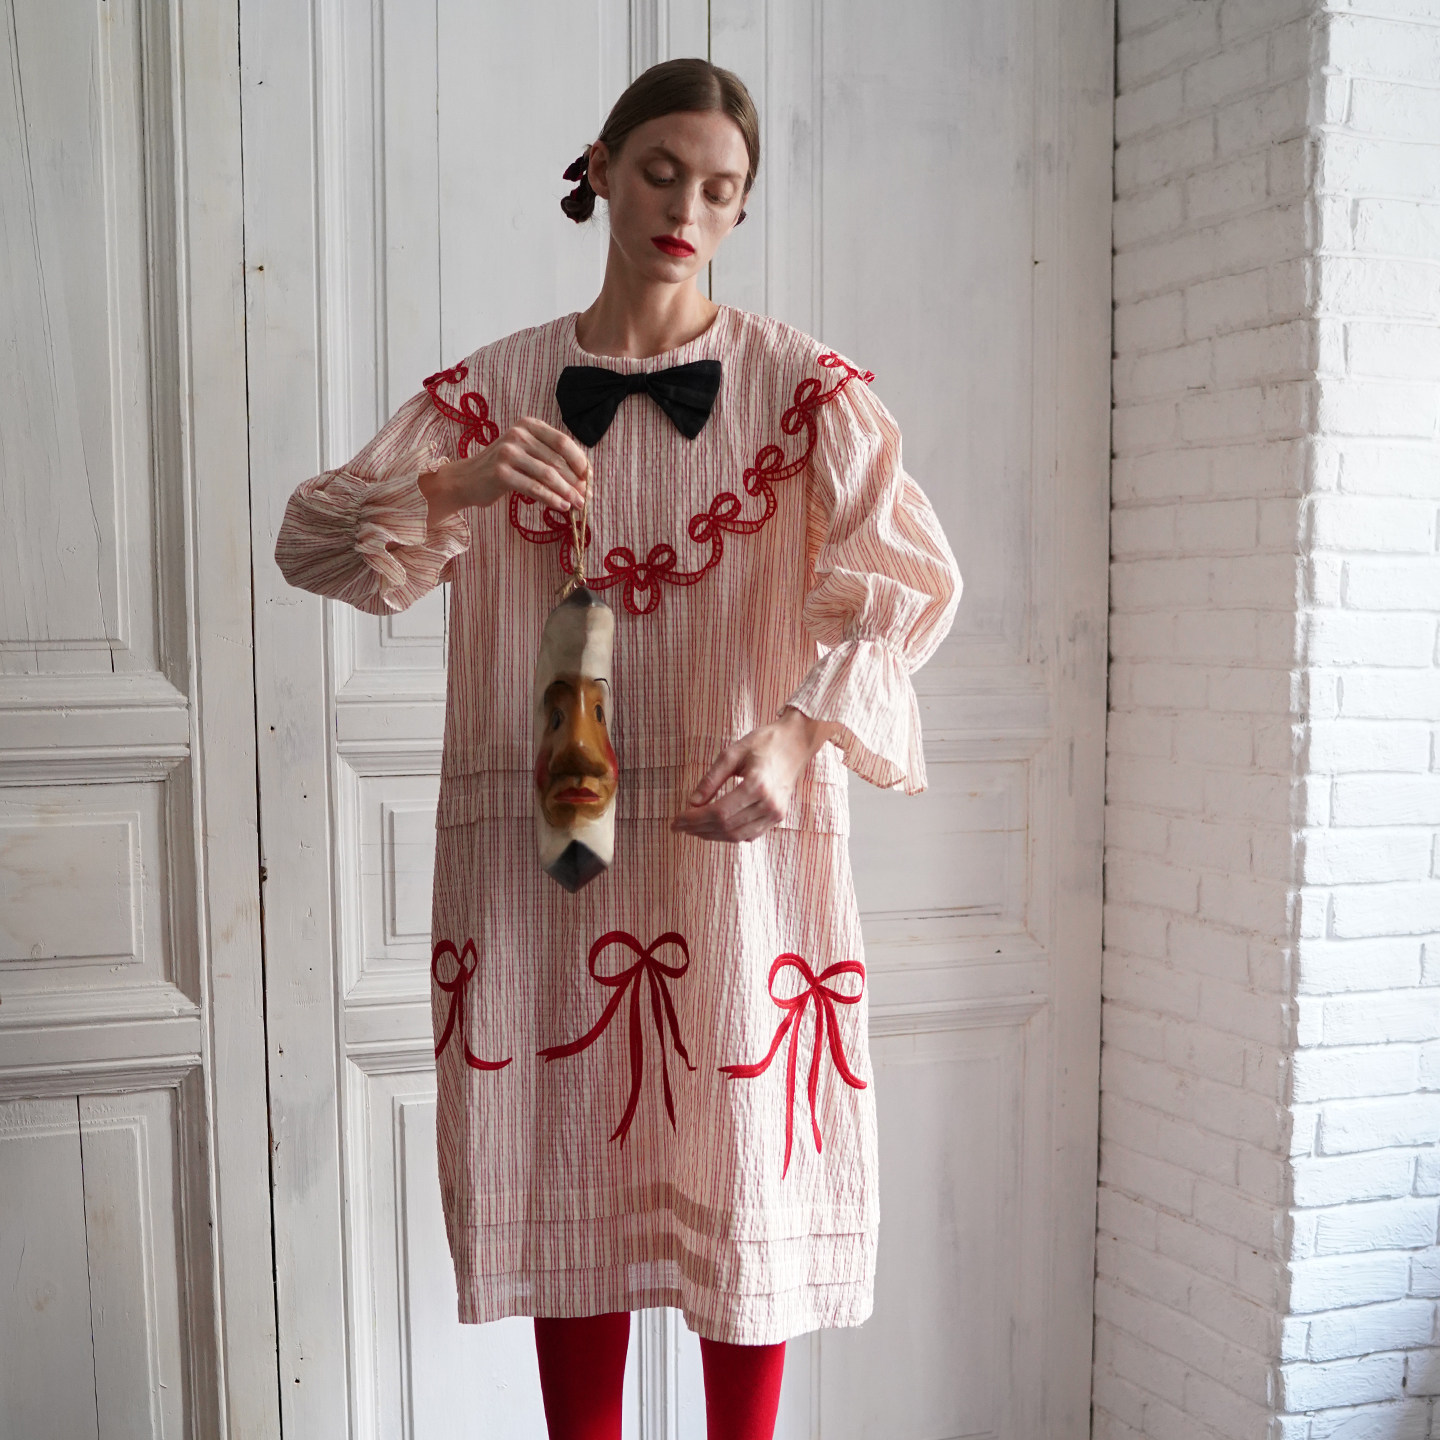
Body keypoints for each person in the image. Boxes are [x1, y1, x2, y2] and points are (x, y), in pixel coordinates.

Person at [274, 56, 961, 1440]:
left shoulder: (804, 395)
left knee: (743, 1189)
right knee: (564, 1163)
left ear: (742, 208)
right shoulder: (489, 394)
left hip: (737, 853)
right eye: (661, 171)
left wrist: (795, 739)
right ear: (598, 169)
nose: (686, 208)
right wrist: (462, 483)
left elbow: (910, 592)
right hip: (548, 866)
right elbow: (314, 544)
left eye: (721, 188)